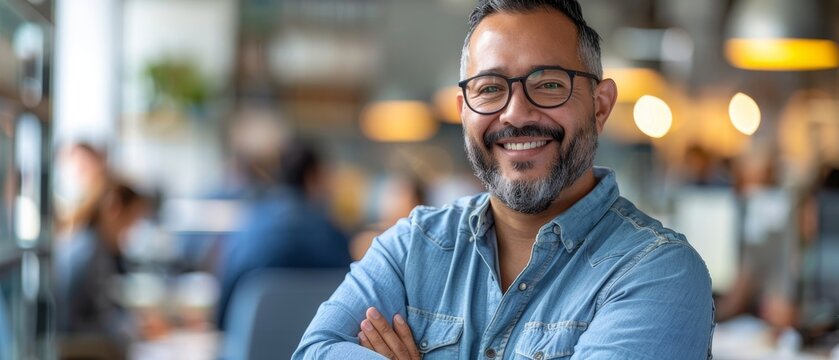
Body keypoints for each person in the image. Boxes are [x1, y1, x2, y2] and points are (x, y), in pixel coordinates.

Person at [294, 1, 714, 359]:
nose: (515, 113)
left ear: (600, 107)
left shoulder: (659, 272)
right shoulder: (412, 247)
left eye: (549, 84)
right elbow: (316, 350)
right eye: (490, 88)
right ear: (463, 111)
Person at [216, 139, 352, 329]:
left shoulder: (251, 224)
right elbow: (351, 302)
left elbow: (224, 305)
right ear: (312, 176)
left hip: (247, 347)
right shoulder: (330, 233)